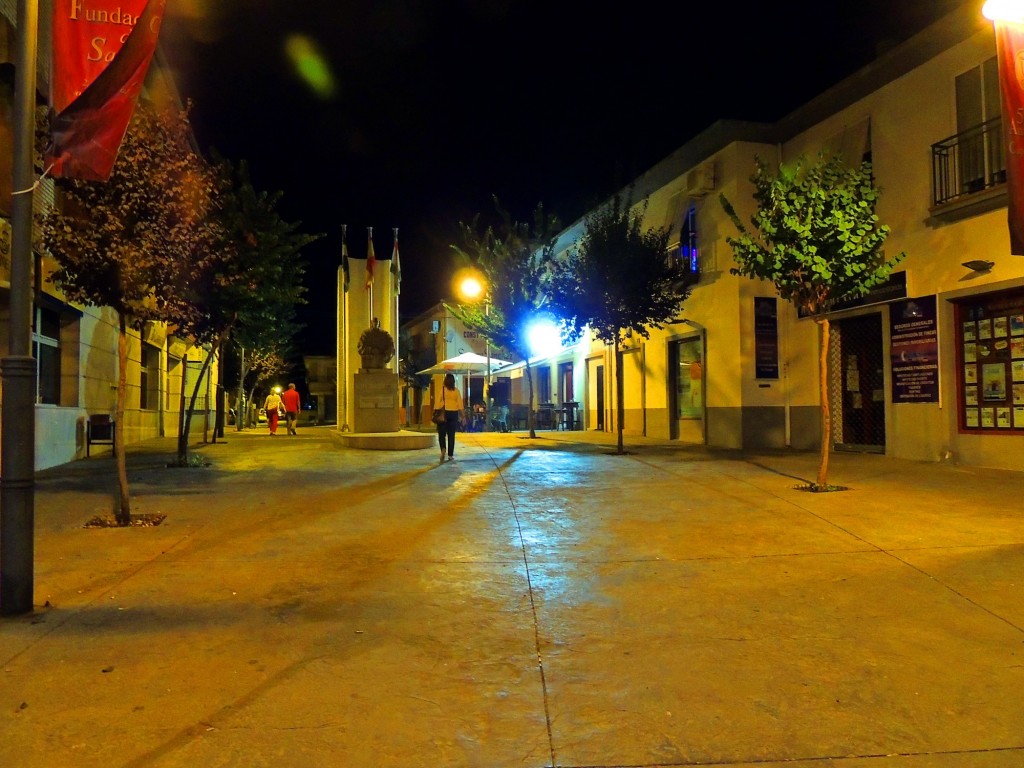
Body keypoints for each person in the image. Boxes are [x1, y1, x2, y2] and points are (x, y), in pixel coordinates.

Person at [434, 373, 464, 462]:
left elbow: (437, 402)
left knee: (441, 434)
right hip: (453, 414)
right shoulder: (456, 391)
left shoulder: (443, 390)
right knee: (451, 435)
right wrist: (463, 416)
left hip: (444, 413)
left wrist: (436, 411)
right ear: (453, 381)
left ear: (445, 381)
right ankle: (450, 455)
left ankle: (443, 449)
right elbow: (460, 405)